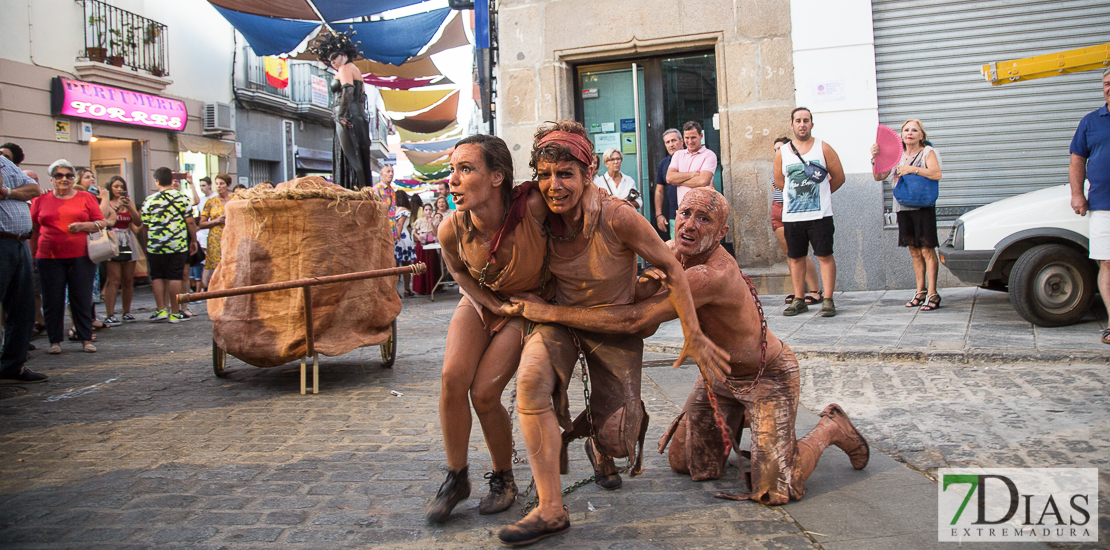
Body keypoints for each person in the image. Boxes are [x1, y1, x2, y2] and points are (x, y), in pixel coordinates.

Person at [512, 188, 870, 505]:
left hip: (766, 378)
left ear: (721, 233)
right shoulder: (672, 252)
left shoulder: (711, 274)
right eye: (685, 213)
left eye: (704, 219)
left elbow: (635, 321)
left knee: (774, 490)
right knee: (685, 463)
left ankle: (830, 428)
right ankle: (747, 424)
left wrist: (549, 312)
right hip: (718, 377)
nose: (690, 225)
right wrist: (644, 285)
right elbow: (635, 304)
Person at [496, 121, 728, 547]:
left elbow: (675, 268)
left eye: (565, 174)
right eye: (545, 175)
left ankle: (602, 443)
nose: (554, 186)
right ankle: (550, 509)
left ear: (590, 172)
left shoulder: (618, 216)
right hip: (558, 323)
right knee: (530, 384)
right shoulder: (537, 213)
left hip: (613, 331)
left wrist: (691, 333)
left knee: (618, 439)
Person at [425, 134, 550, 524]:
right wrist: (488, 302)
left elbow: (577, 202)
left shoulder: (532, 207)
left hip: (522, 306)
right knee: (451, 377)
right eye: (452, 170)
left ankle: (503, 478)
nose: (454, 180)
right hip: (482, 300)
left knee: (483, 392)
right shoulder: (451, 228)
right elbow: (459, 273)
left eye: (466, 169)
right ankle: (456, 476)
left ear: (497, 177)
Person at [30, 159, 113, 354]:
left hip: (81, 255)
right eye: (59, 175)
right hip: (48, 256)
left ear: (73, 178)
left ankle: (85, 338)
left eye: (69, 175)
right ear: (51, 179)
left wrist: (84, 226)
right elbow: (34, 231)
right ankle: (55, 342)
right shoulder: (40, 200)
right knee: (52, 300)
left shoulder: (85, 197)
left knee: (82, 298)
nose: (64, 179)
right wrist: (32, 255)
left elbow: (101, 222)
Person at [775, 107, 845, 317]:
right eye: (798, 120)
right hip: (793, 216)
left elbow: (839, 177)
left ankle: (829, 299)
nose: (802, 124)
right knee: (796, 257)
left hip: (820, 216)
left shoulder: (823, 148)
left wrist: (822, 194)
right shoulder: (783, 153)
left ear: (812, 124)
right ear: (792, 124)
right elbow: (780, 181)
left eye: (806, 120)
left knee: (824, 255)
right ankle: (799, 299)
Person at [871, 119, 944, 311]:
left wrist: (912, 169)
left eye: (914, 130)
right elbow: (879, 176)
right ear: (901, 135)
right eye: (906, 130)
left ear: (922, 135)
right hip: (903, 206)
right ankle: (920, 290)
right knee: (913, 249)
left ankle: (933, 293)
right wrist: (875, 159)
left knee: (928, 249)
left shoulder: (927, 152)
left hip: (923, 206)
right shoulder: (896, 155)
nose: (909, 133)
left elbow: (937, 174)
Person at [1070, 68, 1110, 344]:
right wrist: (1077, 194)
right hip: (1103, 205)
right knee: (1107, 263)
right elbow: (1077, 161)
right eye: (1107, 84)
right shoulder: (1090, 122)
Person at [0, 154, 47, 381]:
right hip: (1, 242)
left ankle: (13, 364)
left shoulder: (5, 163)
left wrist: (8, 193)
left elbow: (34, 189)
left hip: (19, 242)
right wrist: (19, 194)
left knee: (23, 307)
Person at [312, 30, 373, 189]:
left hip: (348, 116)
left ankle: (351, 190)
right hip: (357, 115)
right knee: (357, 156)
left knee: (349, 156)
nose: (332, 62)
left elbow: (347, 90)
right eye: (329, 59)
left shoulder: (345, 69)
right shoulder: (355, 69)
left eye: (334, 57)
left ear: (344, 54)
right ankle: (360, 189)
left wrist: (340, 115)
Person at [141, 167, 198, 323]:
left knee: (157, 276)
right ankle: (175, 312)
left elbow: (144, 226)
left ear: (157, 181)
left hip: (155, 245)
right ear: (172, 181)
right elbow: (190, 222)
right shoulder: (182, 198)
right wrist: (193, 240)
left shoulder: (149, 200)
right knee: (175, 277)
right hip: (177, 244)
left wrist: (146, 245)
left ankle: (161, 310)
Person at [771, 137, 821, 305]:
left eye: (780, 148)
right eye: (775, 150)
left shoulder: (796, 165)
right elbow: (776, 187)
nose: (778, 152)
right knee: (790, 254)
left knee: (800, 254)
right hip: (778, 209)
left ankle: (815, 290)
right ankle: (797, 291)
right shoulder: (777, 167)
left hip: (795, 209)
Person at [100, 176, 143, 326]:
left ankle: (127, 311)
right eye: (116, 186)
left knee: (128, 279)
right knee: (114, 279)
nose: (119, 190)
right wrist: (117, 207)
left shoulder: (128, 202)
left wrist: (130, 207)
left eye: (121, 187)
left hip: (128, 240)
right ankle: (110, 314)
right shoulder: (107, 203)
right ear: (110, 188)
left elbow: (138, 222)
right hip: (113, 239)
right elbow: (103, 218)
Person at [667, 121, 717, 207]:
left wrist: (678, 181)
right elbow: (669, 178)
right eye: (687, 138)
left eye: (693, 137)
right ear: (683, 137)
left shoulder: (709, 155)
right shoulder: (678, 154)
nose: (690, 141)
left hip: (702, 209)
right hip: (683, 209)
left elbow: (702, 182)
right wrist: (693, 174)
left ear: (701, 136)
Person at [199, 173, 232, 291]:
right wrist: (215, 221)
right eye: (217, 184)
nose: (219, 186)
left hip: (231, 236)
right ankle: (215, 289)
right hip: (215, 237)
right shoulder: (211, 202)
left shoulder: (235, 200)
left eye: (222, 184)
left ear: (228, 185)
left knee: (230, 263)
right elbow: (201, 223)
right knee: (215, 266)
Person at [653, 128, 682, 240]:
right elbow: (659, 191)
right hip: (673, 216)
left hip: (695, 214)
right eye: (667, 142)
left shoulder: (691, 159)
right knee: (677, 251)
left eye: (674, 141)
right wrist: (659, 215)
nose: (671, 145)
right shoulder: (664, 164)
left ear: (681, 141)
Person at [412, 203, 441, 295]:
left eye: (430, 209)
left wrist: (432, 224)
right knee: (420, 264)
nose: (428, 211)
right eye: (426, 210)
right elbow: (414, 232)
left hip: (431, 243)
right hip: (421, 243)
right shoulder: (419, 221)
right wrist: (418, 237)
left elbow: (435, 234)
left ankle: (433, 286)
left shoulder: (435, 221)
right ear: (423, 211)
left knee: (432, 264)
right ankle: (421, 287)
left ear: (432, 211)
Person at [192, 176, 215, 292]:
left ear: (210, 185)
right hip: (202, 233)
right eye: (200, 185)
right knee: (204, 262)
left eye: (204, 185)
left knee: (211, 262)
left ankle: (209, 287)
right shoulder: (201, 199)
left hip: (213, 232)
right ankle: (202, 289)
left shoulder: (214, 197)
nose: (202, 188)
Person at [393, 191, 416, 297]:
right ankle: (407, 289)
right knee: (406, 266)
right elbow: (401, 224)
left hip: (395, 238)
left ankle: (394, 290)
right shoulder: (404, 210)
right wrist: (398, 237)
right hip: (403, 239)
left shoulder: (393, 211)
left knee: (395, 267)